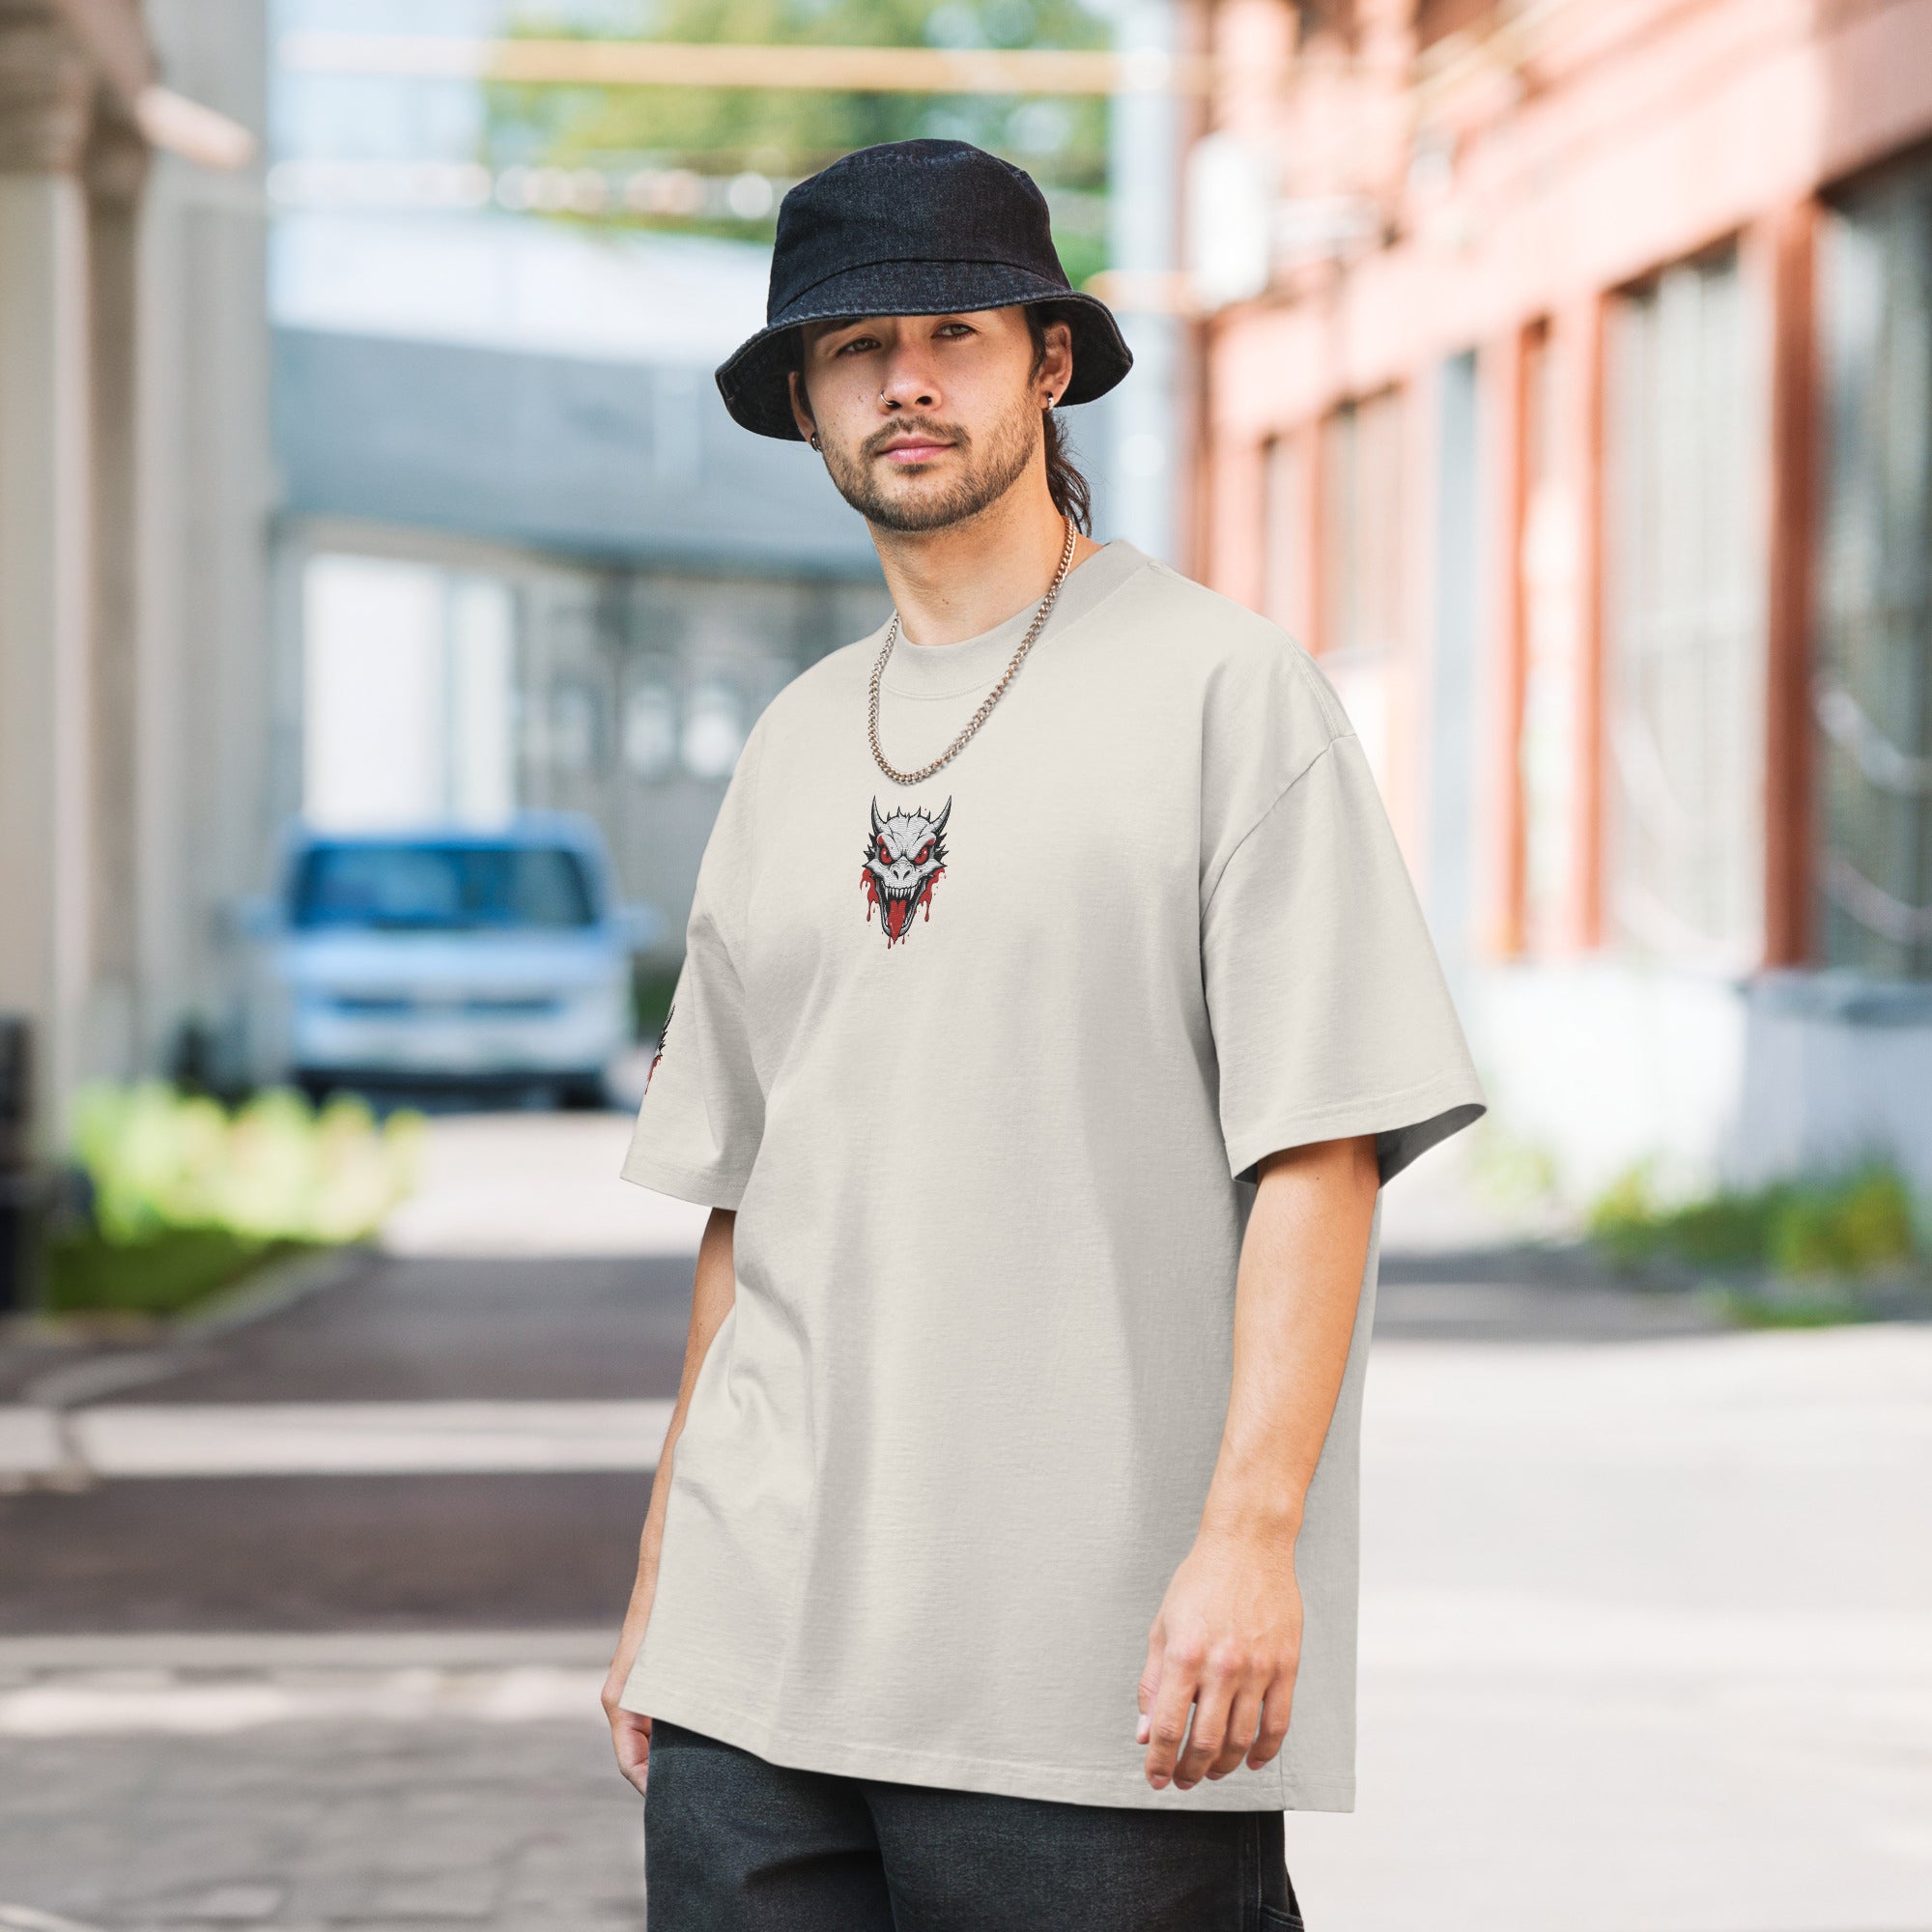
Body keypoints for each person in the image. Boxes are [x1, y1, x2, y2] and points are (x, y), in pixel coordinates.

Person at [603, 138, 1487, 1932]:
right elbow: (743, 1209)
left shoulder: (1228, 695)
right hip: (753, 1674)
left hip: (1089, 1682)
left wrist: (1252, 1541)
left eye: (952, 332)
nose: (905, 379)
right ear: (804, 400)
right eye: (853, 348)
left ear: (1050, 362)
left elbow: (1322, 1152)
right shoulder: (783, 749)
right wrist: (661, 1574)